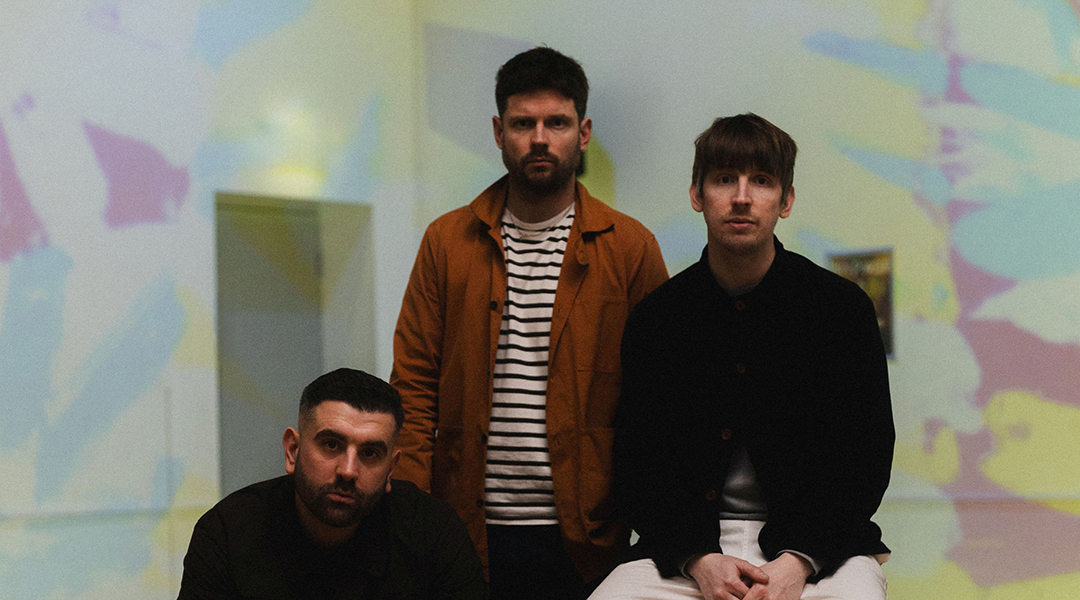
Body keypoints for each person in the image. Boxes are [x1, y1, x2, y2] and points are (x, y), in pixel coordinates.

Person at [390, 47, 669, 599]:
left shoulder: (630, 248)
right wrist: (408, 511)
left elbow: (661, 398)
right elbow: (414, 386)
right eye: (523, 124)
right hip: (465, 530)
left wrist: (657, 521)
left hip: (588, 535)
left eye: (556, 123)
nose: (540, 139)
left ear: (583, 133)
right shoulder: (447, 242)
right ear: (499, 132)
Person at [592, 114, 894, 600]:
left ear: (786, 200)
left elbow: (862, 460)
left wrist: (798, 562)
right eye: (724, 179)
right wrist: (699, 560)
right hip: (689, 548)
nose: (741, 197)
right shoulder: (658, 318)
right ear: (697, 194)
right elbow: (640, 465)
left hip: (820, 548)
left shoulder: (840, 310)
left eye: (762, 181)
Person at [177, 368, 488, 600]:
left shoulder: (432, 532)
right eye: (331, 445)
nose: (348, 471)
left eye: (370, 453)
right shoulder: (229, 531)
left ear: (391, 470)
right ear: (293, 450)